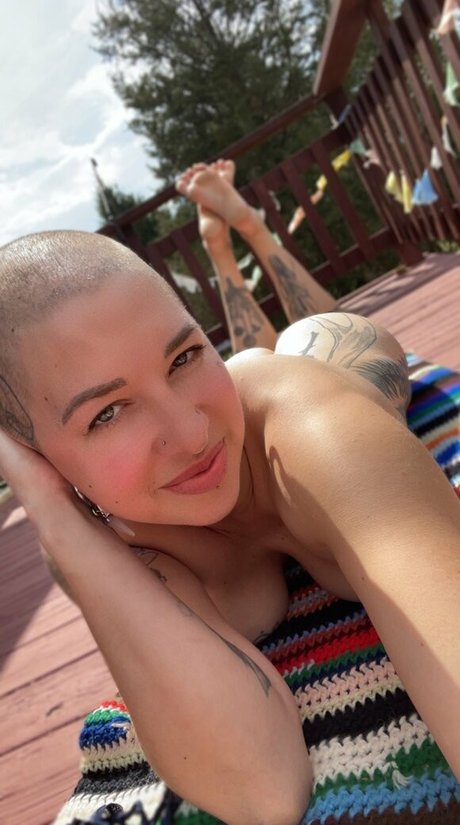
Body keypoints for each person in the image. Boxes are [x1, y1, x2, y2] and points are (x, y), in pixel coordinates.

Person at [0, 162, 459, 825]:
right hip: (243, 412)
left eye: (185, 355)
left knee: (307, 340)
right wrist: (51, 515)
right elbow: (262, 790)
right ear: (39, 459)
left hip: (335, 366)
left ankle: (248, 229)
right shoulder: (93, 535)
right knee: (243, 377)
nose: (190, 434)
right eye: (107, 413)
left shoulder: (315, 428)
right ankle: (220, 252)